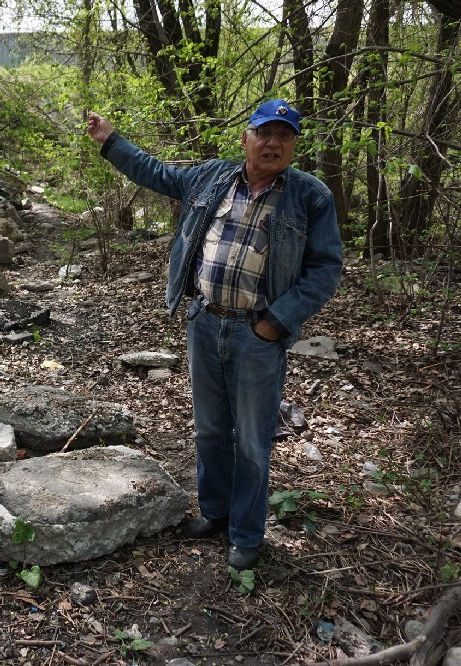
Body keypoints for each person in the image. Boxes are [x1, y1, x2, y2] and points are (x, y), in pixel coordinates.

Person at [87, 100, 343, 569]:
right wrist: (111, 141)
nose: (273, 144)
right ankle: (214, 512)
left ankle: (246, 534)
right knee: (208, 429)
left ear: (293, 146)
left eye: (284, 137)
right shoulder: (211, 177)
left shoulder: (310, 196)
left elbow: (326, 269)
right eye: (265, 134)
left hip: (257, 334)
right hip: (204, 322)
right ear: (246, 138)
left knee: (251, 439)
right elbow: (157, 173)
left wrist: (277, 321)